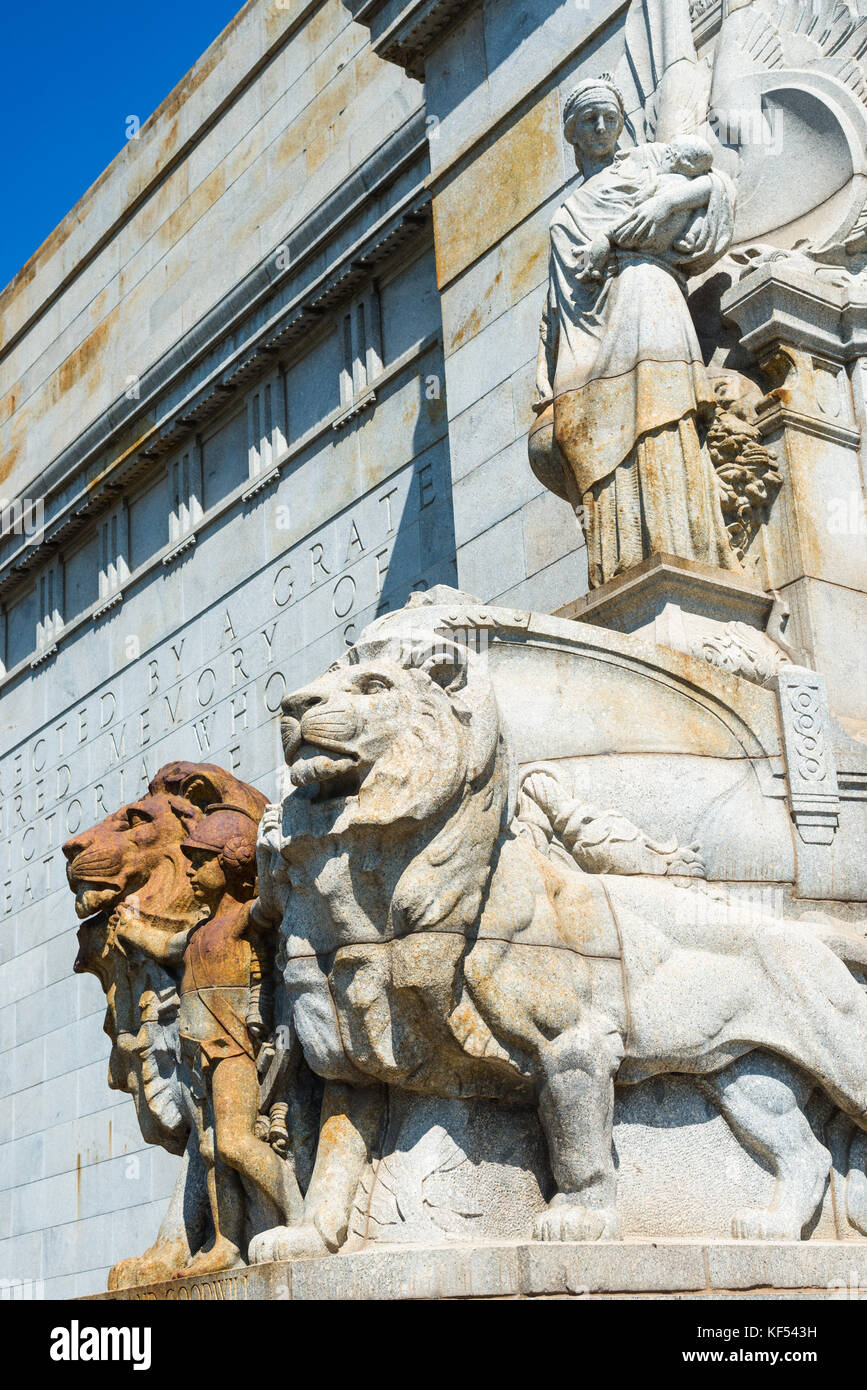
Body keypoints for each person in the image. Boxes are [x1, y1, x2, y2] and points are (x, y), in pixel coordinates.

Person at [531, 76, 741, 588]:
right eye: (588, 120)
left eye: (609, 117)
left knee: (663, 416)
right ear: (571, 133)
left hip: (650, 297)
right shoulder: (565, 217)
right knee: (589, 432)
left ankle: (687, 546)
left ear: (621, 122)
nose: (601, 127)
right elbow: (559, 307)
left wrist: (665, 206)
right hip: (591, 337)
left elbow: (718, 185)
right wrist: (549, 375)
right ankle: (624, 562)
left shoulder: (648, 162)